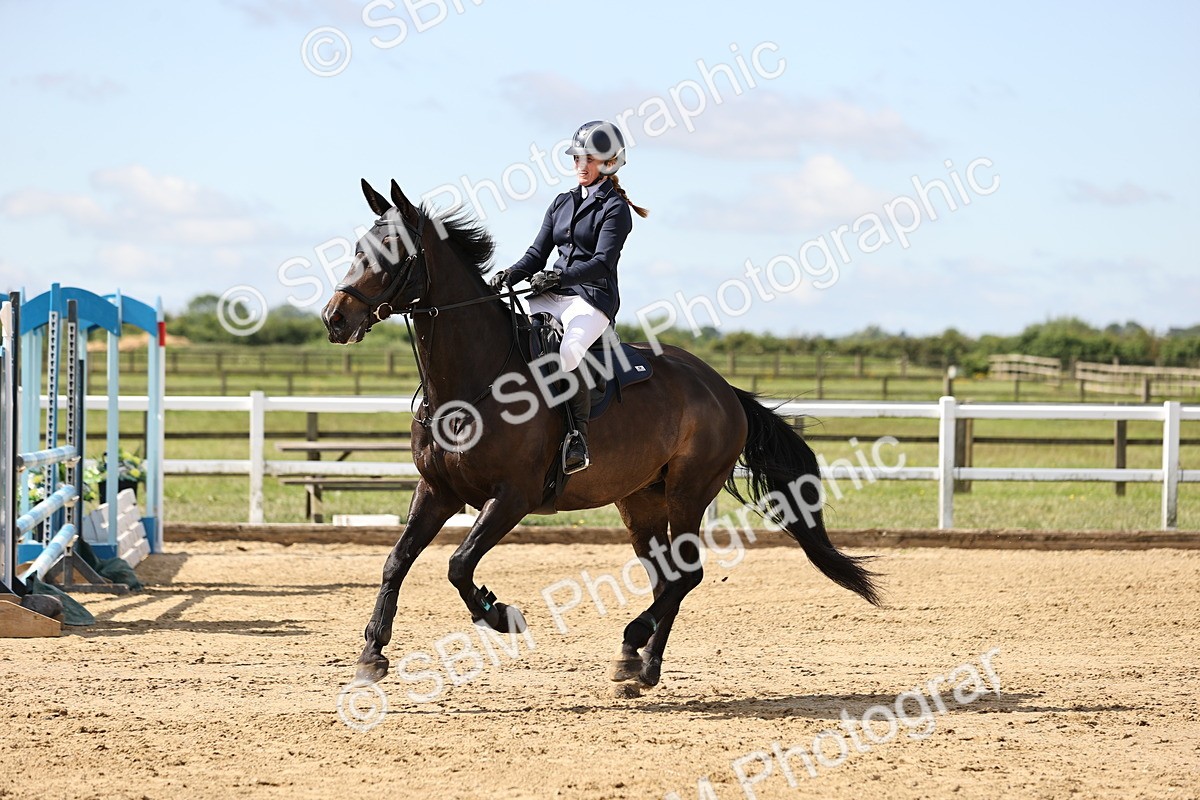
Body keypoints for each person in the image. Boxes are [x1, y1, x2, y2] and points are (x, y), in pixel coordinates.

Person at [491, 120, 649, 473]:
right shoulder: (562, 202)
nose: (581, 165)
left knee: (567, 351)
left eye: (589, 159)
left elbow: (602, 263)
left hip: (591, 299)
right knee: (506, 332)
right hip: (551, 292)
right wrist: (510, 274)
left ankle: (577, 436)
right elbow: (537, 253)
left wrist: (558, 275)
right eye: (577, 158)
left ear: (609, 162)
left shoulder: (615, 209)